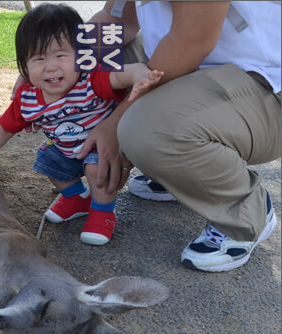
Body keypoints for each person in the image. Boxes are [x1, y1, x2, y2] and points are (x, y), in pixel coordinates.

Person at [73, 1, 281, 271]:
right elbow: (116, 22)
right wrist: (53, 64)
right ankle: (178, 173)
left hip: (266, 85)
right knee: (96, 65)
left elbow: (193, 41)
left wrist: (116, 123)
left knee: (142, 129)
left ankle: (244, 211)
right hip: (204, 76)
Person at [0, 3, 163, 246]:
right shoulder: (27, 99)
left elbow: (123, 73)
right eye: (39, 58)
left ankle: (103, 212)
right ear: (24, 66)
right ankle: (76, 199)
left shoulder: (91, 80)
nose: (51, 66)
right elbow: (4, 127)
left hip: (100, 147)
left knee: (97, 170)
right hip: (64, 148)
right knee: (47, 160)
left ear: (82, 56)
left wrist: (139, 75)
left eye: (61, 55)